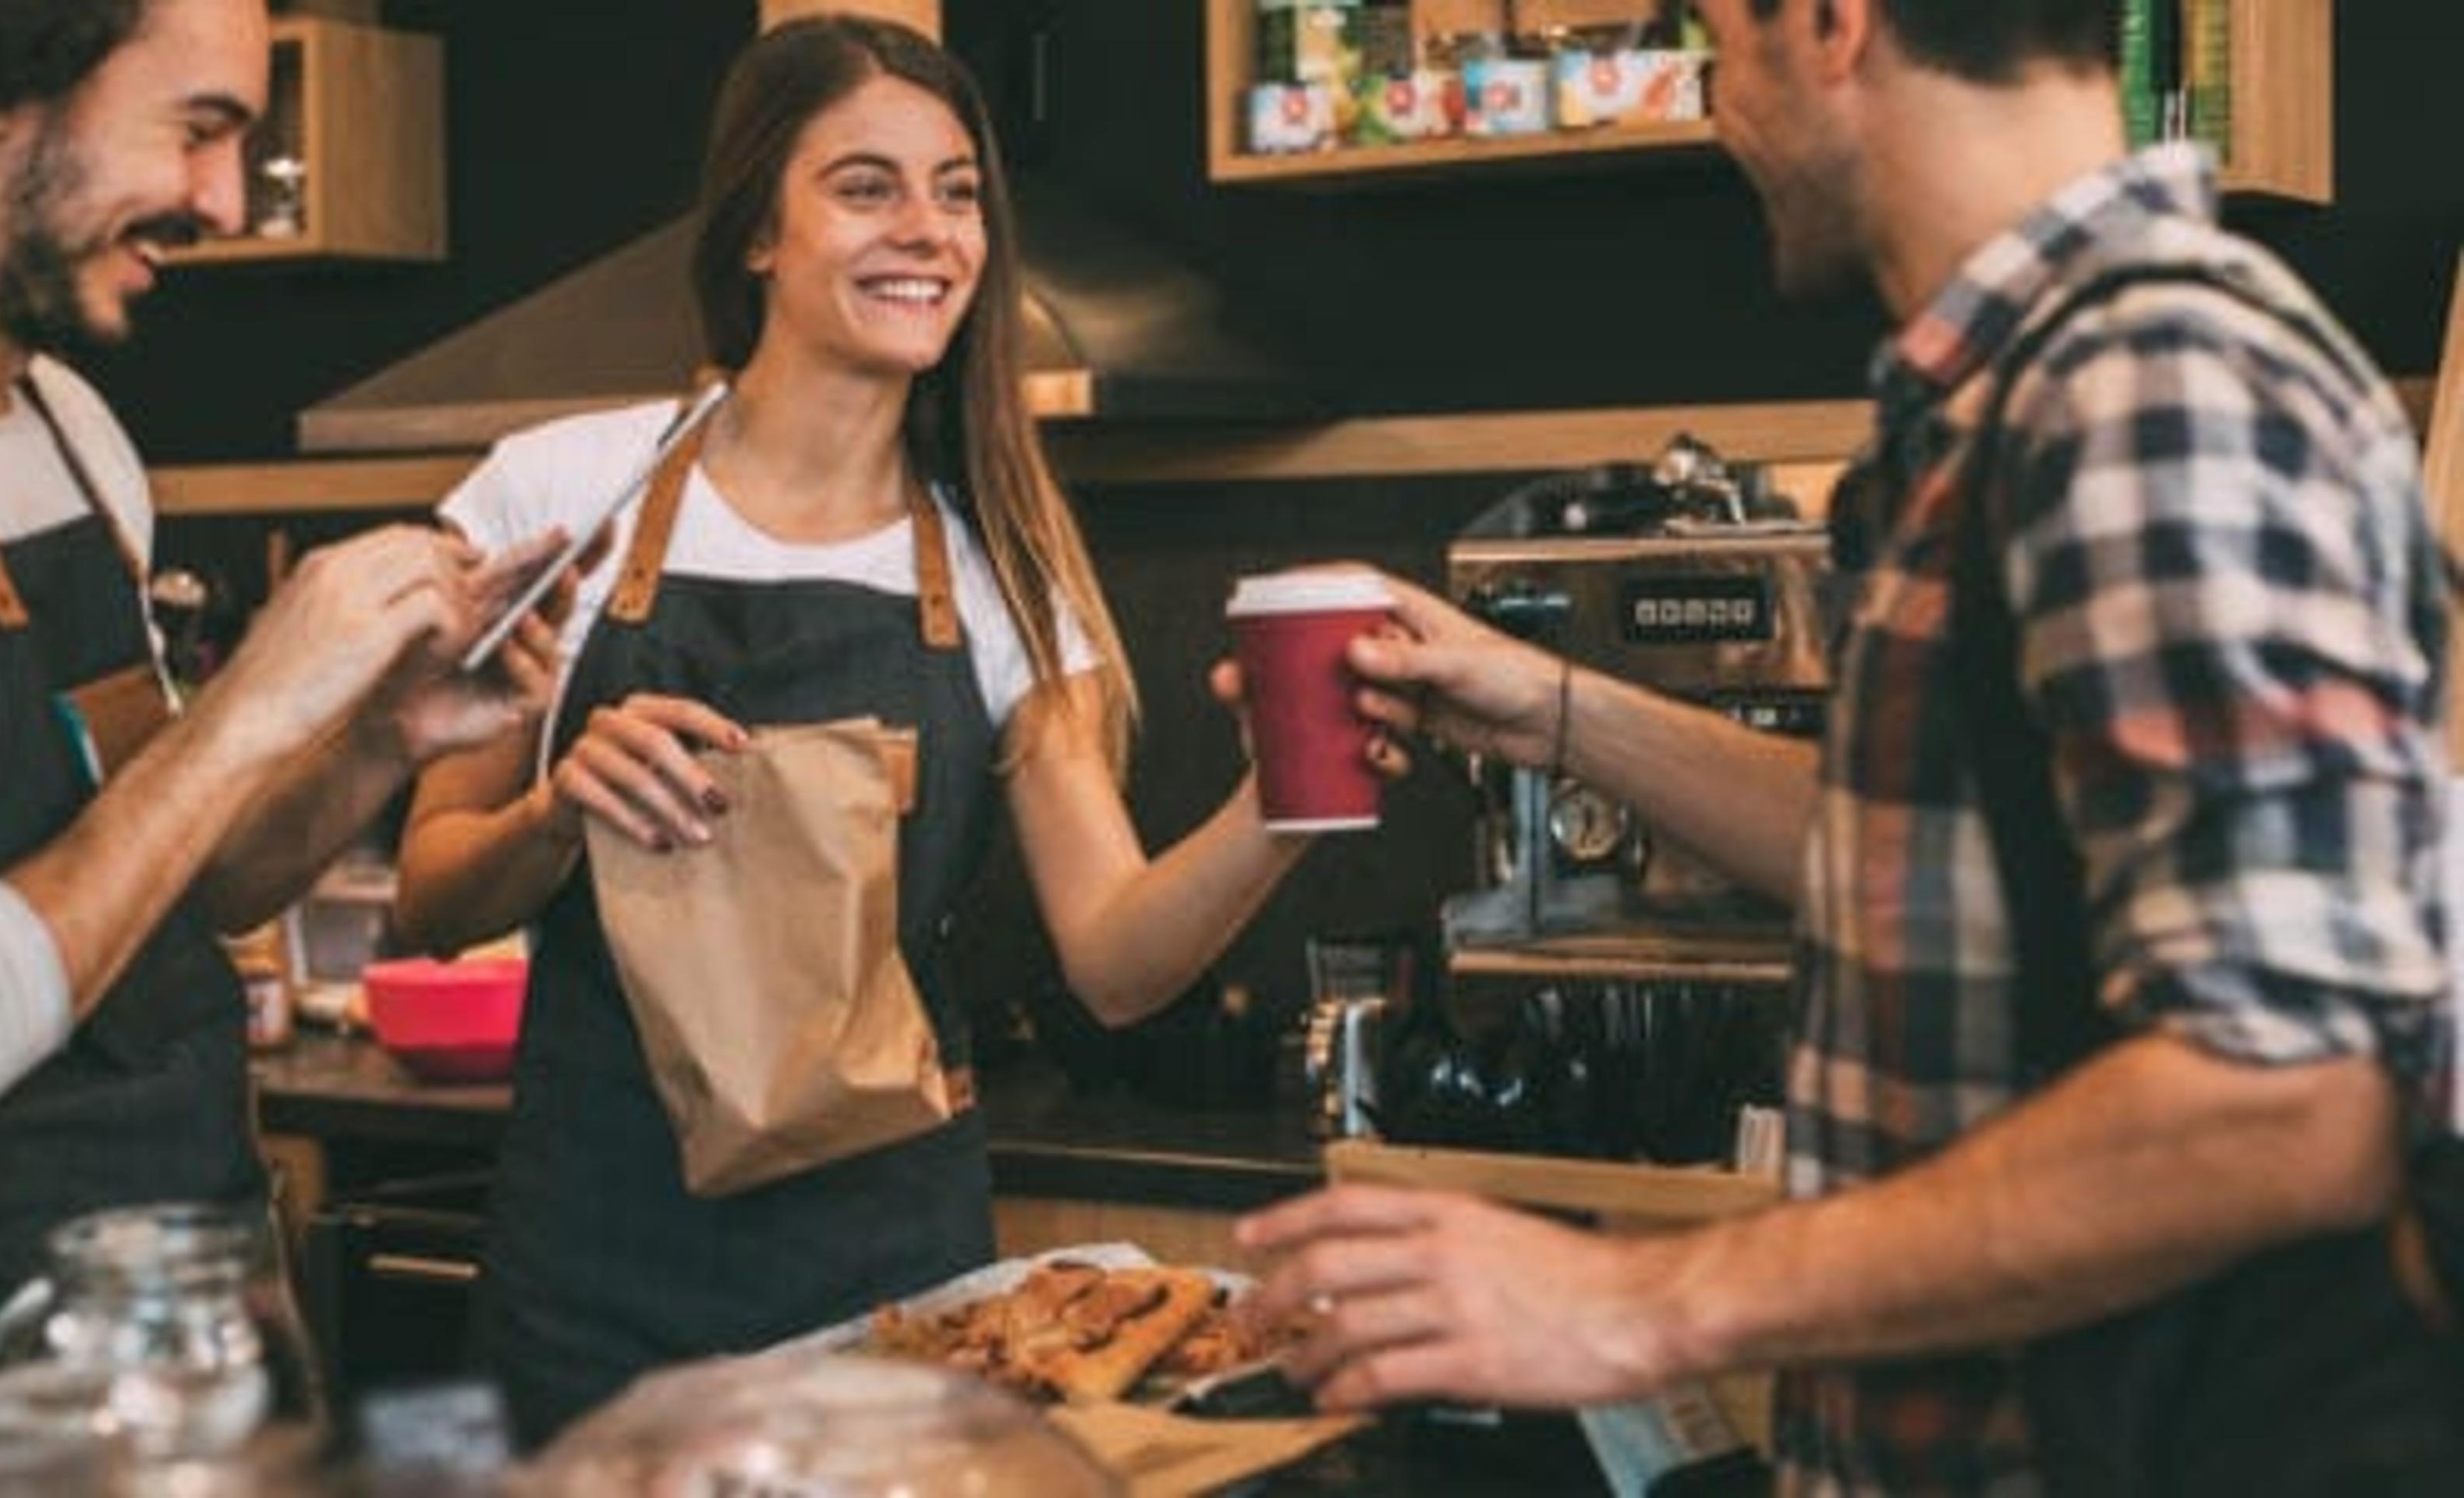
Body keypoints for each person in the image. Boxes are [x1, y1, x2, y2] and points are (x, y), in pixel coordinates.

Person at [1240, 0, 2455, 1490]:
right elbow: (1930, 870)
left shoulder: (2147, 389)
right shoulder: (2016, 401)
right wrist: (1550, 708)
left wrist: (1637, 1303)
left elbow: (2285, 1099)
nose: (1711, 102)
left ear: (1828, 23)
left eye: (1719, 41)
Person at [395, 15, 1374, 1443]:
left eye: (958, 190)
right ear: (757, 235)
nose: (927, 230)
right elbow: (427, 898)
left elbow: (1114, 961)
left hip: (890, 1281)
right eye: (865, 186)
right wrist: (555, 817)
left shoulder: (1001, 566)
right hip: (591, 1272)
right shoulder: (562, 497)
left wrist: (1286, 803)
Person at [0, 0, 569, 1325]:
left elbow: (190, 884)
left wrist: (377, 738)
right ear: (1, 76)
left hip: (172, 1326)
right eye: (198, 129)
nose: (224, 201)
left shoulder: (74, 429)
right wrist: (252, 704)